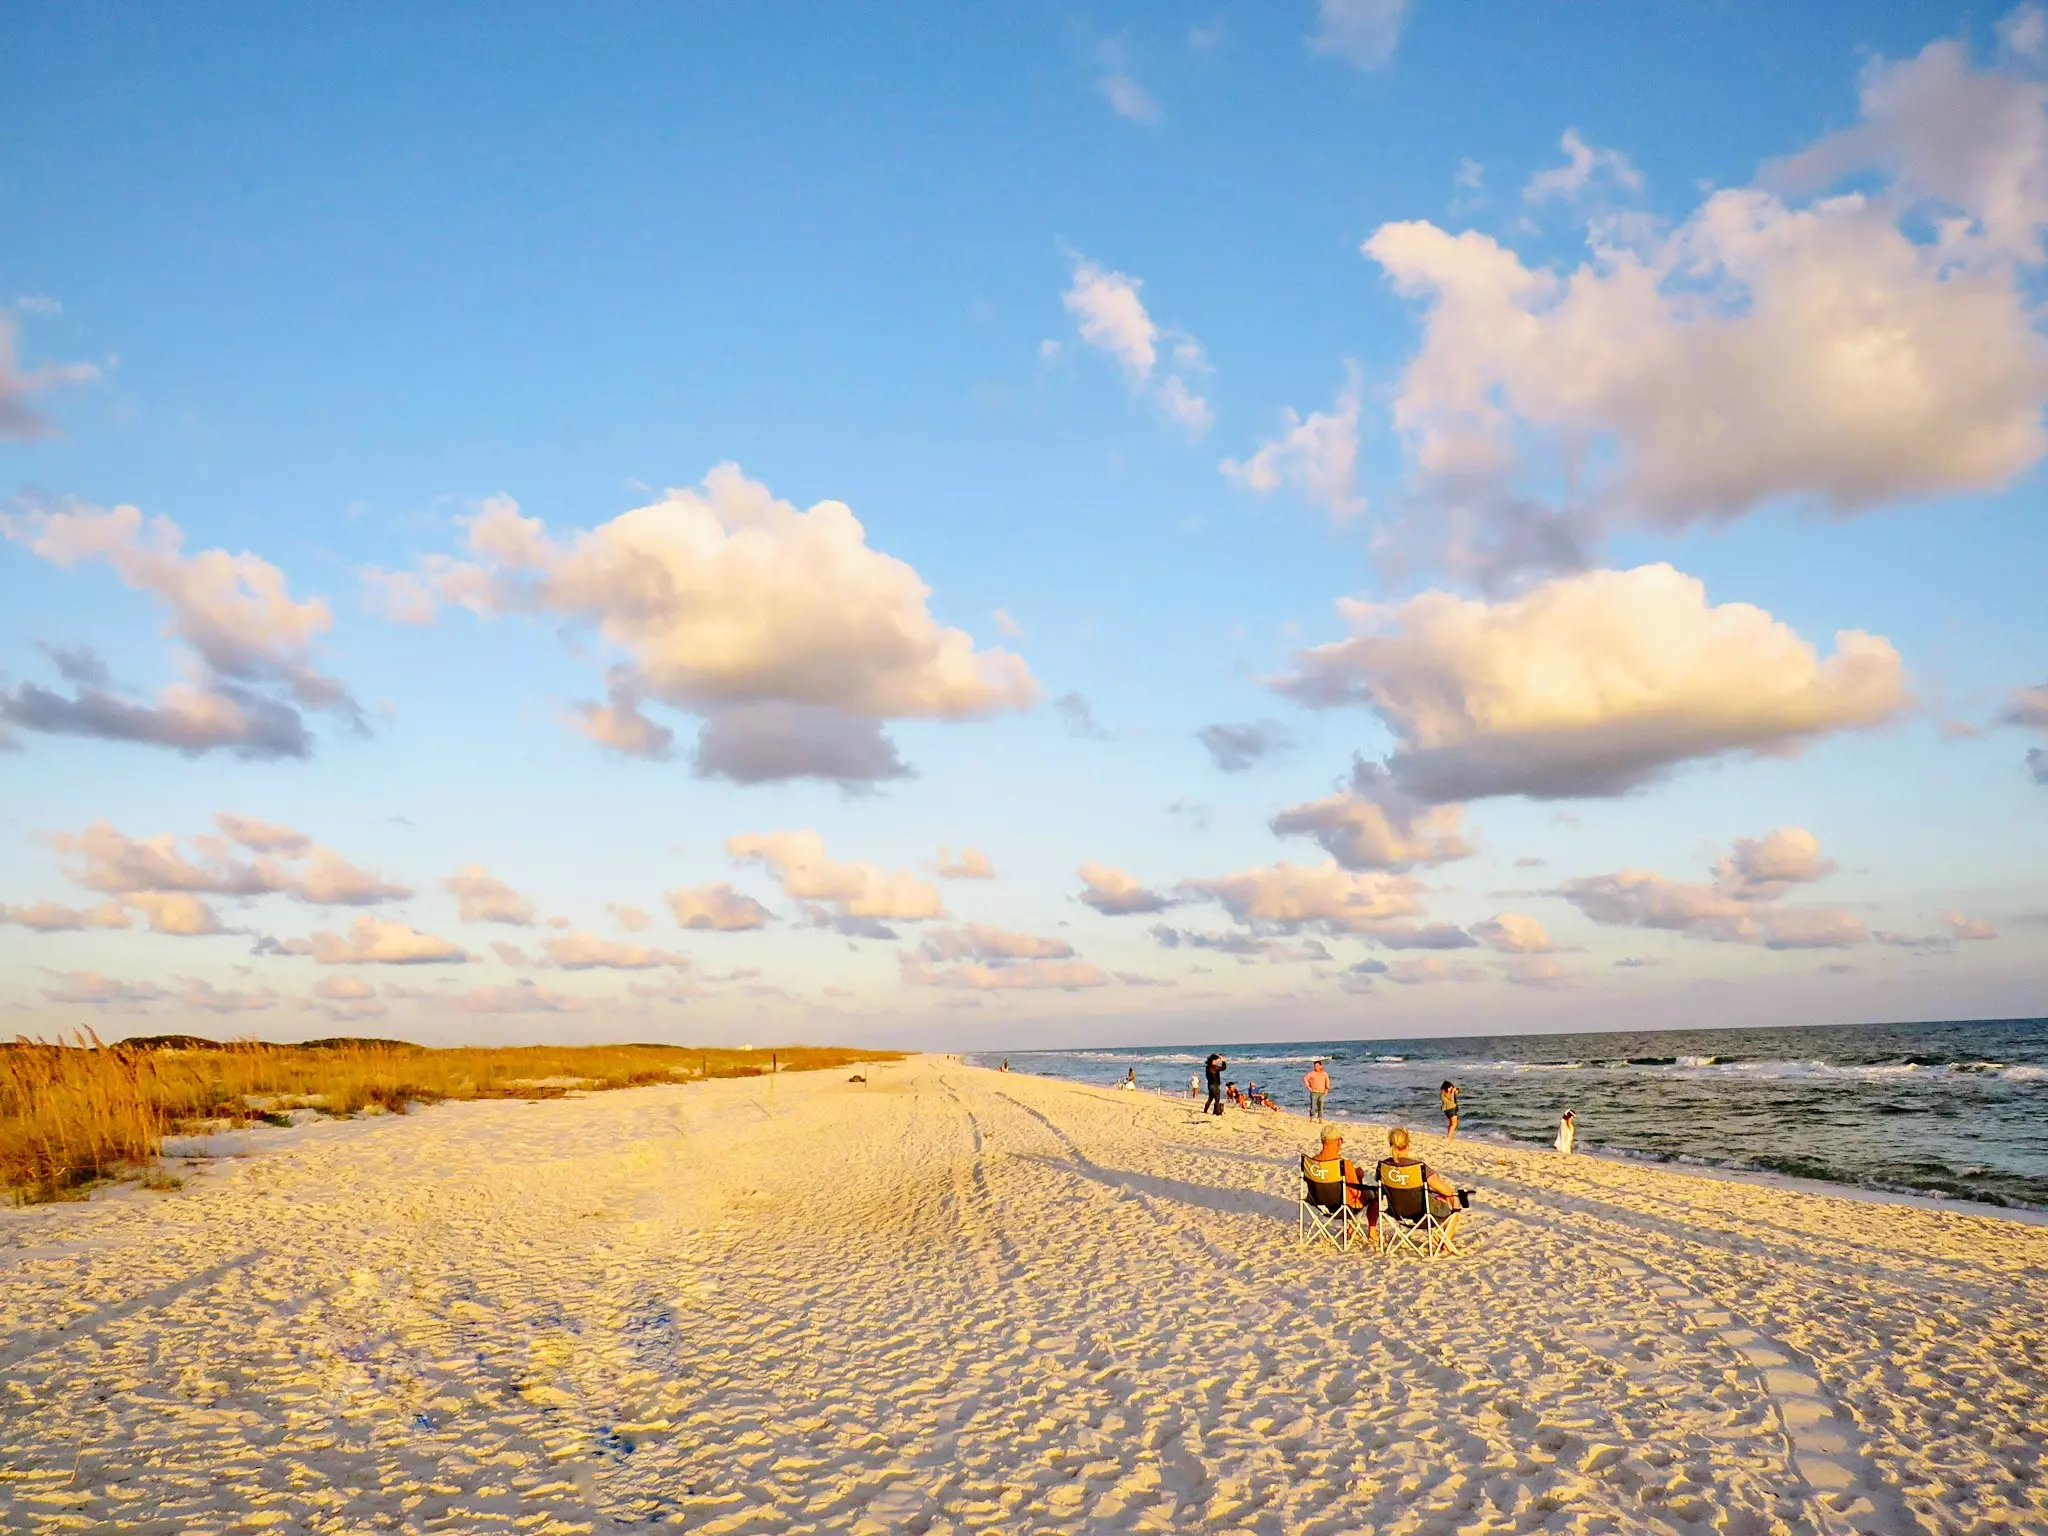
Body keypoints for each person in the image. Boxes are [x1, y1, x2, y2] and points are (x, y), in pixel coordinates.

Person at [1377, 1126, 1467, 1231]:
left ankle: (1438, 1242)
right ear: (1408, 1145)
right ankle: (1442, 1243)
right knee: (1453, 1199)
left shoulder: (1383, 1167)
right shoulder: (1418, 1167)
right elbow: (1447, 1191)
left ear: (1390, 1144)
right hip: (1422, 1212)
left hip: (1396, 1212)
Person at [1303, 1128, 1377, 1237]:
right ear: (1338, 1142)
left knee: (1341, 1190)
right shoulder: (1344, 1165)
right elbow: (1357, 1193)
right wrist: (1359, 1177)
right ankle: (1372, 1233)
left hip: (1318, 1205)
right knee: (1373, 1194)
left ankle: (1350, 1227)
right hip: (1341, 1208)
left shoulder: (1311, 1163)